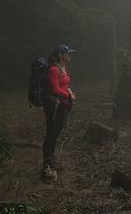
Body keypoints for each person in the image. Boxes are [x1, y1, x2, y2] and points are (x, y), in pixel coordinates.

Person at [41, 44, 76, 180]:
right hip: (53, 106)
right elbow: (54, 89)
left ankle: (51, 160)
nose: (70, 55)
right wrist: (68, 96)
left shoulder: (63, 68)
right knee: (51, 133)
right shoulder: (54, 69)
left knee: (56, 132)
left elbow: (64, 86)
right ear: (61, 55)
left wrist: (70, 92)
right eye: (68, 53)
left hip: (62, 105)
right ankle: (46, 166)